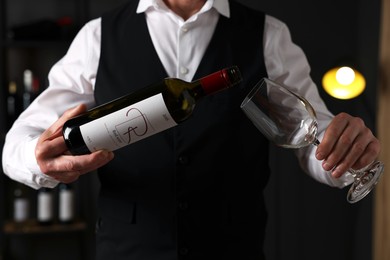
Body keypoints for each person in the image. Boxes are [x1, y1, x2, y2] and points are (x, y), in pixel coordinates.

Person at [2, 0, 381, 259]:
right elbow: (17, 145)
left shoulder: (268, 35)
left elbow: (312, 137)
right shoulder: (97, 37)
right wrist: (37, 158)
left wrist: (347, 153)